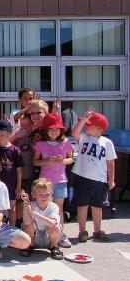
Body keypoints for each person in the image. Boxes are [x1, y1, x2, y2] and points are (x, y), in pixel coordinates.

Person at [71, 109, 116, 243]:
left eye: (89, 124)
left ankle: (97, 230)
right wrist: (84, 119)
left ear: (98, 128)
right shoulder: (84, 137)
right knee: (82, 205)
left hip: (100, 179)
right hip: (82, 177)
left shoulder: (107, 142)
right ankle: (82, 230)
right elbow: (75, 133)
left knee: (97, 206)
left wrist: (111, 179)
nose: (85, 126)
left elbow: (110, 162)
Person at [33, 113, 74, 248]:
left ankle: (60, 233)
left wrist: (63, 160)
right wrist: (47, 161)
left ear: (61, 130)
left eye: (57, 128)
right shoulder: (41, 144)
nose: (54, 131)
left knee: (59, 208)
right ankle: (44, 233)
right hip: (44, 183)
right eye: (51, 129)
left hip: (61, 180)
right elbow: (35, 161)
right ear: (46, 130)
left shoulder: (66, 142)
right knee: (44, 208)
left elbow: (71, 159)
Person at [20, 178, 65, 260]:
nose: (44, 197)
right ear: (33, 195)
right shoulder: (31, 205)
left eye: (47, 194)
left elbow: (52, 223)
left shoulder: (54, 207)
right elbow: (26, 222)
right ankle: (30, 246)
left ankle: (54, 247)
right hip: (34, 237)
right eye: (40, 194)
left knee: (56, 226)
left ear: (51, 196)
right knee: (27, 225)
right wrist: (26, 205)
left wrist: (34, 214)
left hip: (48, 238)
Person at [0, 120, 24, 226]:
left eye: (1, 134)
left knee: (12, 209)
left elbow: (19, 169)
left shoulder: (15, 150)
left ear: (9, 133)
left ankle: (11, 230)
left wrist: (18, 185)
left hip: (11, 185)